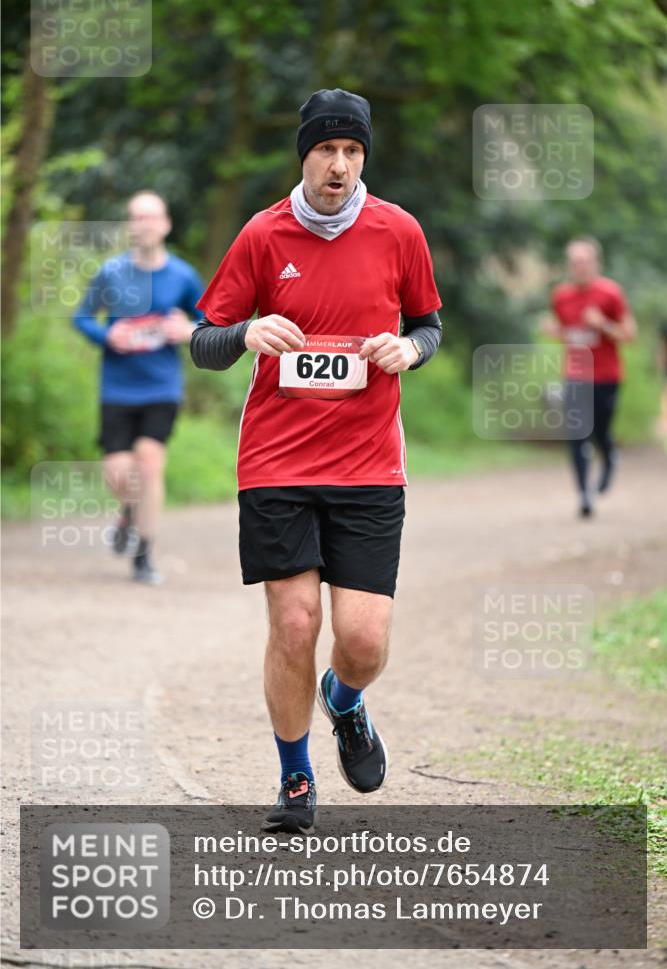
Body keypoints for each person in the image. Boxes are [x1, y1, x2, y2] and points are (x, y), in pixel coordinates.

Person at [191, 88, 442, 834]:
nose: (339, 165)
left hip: (368, 466)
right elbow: (204, 341)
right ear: (303, 154)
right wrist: (245, 334)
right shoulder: (263, 236)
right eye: (326, 150)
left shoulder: (397, 230)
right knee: (293, 624)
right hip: (275, 463)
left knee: (361, 641)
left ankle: (345, 699)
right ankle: (295, 778)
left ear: (365, 156)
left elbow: (428, 324)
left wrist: (408, 350)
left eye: (353, 151)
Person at [73, 190, 204, 583]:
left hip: (161, 387)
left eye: (151, 217)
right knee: (118, 472)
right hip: (117, 387)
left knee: (149, 465)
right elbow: (82, 318)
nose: (144, 224)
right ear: (130, 225)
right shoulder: (112, 272)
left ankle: (144, 554)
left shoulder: (183, 276)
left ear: (165, 224)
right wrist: (106, 337)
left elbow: (209, 323)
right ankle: (129, 512)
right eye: (136, 217)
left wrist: (185, 330)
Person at [546, 236, 635, 517]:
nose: (579, 267)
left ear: (595, 263)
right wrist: (555, 332)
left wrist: (604, 324)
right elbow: (566, 332)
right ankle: (584, 494)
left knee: (599, 432)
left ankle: (610, 457)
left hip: (607, 376)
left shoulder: (611, 293)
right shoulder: (560, 296)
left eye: (584, 261)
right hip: (575, 375)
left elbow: (630, 335)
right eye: (574, 262)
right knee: (576, 433)